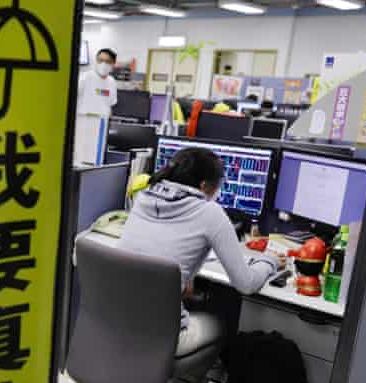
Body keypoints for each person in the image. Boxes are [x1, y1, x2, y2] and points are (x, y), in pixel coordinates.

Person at [117, 147, 283, 362]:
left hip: (116, 322)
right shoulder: (210, 213)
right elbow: (246, 284)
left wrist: (188, 274)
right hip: (163, 335)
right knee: (225, 323)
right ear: (204, 186)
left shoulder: (143, 197)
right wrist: (270, 261)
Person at [77, 48, 118, 117]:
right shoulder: (85, 77)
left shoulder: (112, 82)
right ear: (96, 61)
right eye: (100, 60)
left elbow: (110, 104)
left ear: (113, 64)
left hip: (102, 122)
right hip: (84, 120)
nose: (103, 64)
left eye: (107, 61)